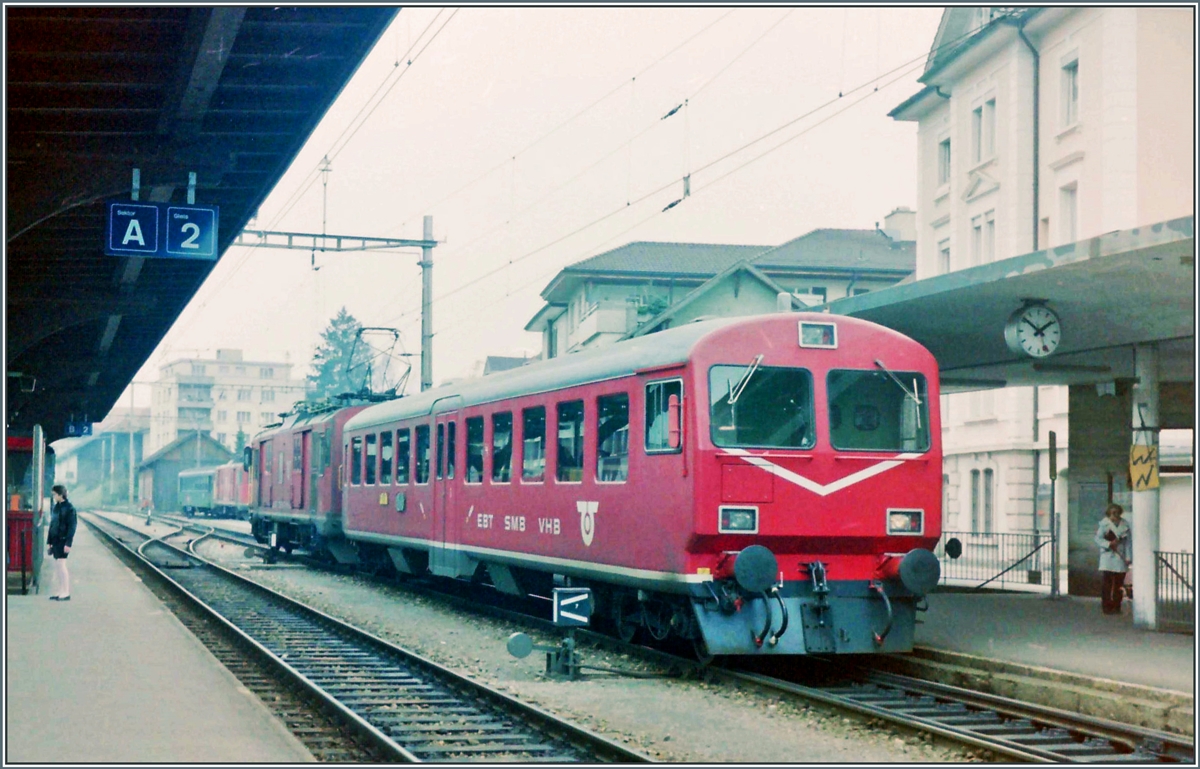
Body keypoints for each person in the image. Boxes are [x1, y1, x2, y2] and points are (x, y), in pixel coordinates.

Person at [1094, 502, 1131, 615]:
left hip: (1120, 556)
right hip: (1108, 556)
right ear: (1108, 513)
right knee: (1107, 583)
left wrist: (1128, 557)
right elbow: (1097, 539)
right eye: (1112, 512)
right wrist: (1109, 543)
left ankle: (1116, 606)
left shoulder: (1125, 524)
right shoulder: (1104, 524)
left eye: (1116, 512)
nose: (1114, 514)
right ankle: (1106, 607)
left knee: (1118, 584)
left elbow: (1128, 543)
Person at [47, 484, 77, 601]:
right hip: (55, 539)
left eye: (54, 494)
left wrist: (68, 543)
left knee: (61, 565)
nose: (53, 496)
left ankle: (66, 591)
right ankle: (61, 590)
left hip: (63, 540)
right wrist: (49, 541)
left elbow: (72, 527)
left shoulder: (70, 509)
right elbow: (52, 524)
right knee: (58, 566)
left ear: (60, 494)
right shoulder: (56, 507)